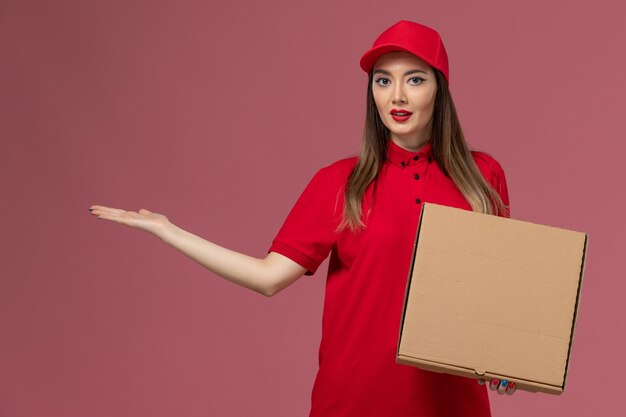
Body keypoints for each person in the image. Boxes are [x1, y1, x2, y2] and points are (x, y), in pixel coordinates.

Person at [90, 19, 515, 417]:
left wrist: (509, 360)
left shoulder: (482, 177)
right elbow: (268, 277)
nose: (397, 96)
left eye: (415, 80)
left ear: (440, 89)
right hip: (351, 402)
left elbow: (492, 299)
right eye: (383, 81)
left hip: (451, 407)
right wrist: (169, 231)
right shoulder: (339, 183)